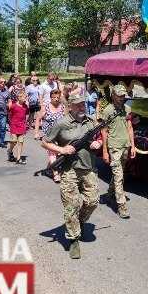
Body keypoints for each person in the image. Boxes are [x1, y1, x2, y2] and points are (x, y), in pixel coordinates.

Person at [41, 92, 102, 259]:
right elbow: (44, 141)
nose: (82, 107)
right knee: (71, 205)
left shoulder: (90, 121)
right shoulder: (62, 123)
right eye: (78, 105)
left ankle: (79, 222)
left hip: (88, 168)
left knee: (92, 201)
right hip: (69, 170)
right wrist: (61, 150)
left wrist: (99, 143)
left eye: (83, 104)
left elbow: (98, 137)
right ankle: (73, 238)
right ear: (70, 106)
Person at [100, 85, 136, 219]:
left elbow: (130, 127)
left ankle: (109, 194)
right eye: (119, 95)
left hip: (125, 146)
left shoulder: (127, 109)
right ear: (113, 96)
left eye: (123, 96)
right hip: (114, 147)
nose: (121, 98)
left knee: (118, 174)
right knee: (118, 175)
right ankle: (122, 206)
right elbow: (104, 131)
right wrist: (105, 151)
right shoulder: (108, 110)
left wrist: (133, 146)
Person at [40, 88, 65, 182]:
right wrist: (37, 132)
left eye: (58, 97)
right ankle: (56, 174)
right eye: (54, 97)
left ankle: (48, 169)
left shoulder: (62, 107)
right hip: (49, 135)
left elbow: (66, 119)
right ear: (50, 97)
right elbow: (38, 118)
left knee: (58, 154)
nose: (56, 99)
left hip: (60, 134)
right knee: (52, 153)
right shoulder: (45, 107)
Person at [7, 90, 29, 164]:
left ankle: (19, 158)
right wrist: (10, 124)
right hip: (14, 125)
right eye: (24, 97)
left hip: (22, 125)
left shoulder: (25, 106)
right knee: (14, 140)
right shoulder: (13, 106)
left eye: (25, 97)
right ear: (19, 98)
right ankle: (10, 150)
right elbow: (10, 115)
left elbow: (26, 115)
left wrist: (26, 124)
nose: (25, 99)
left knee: (21, 141)